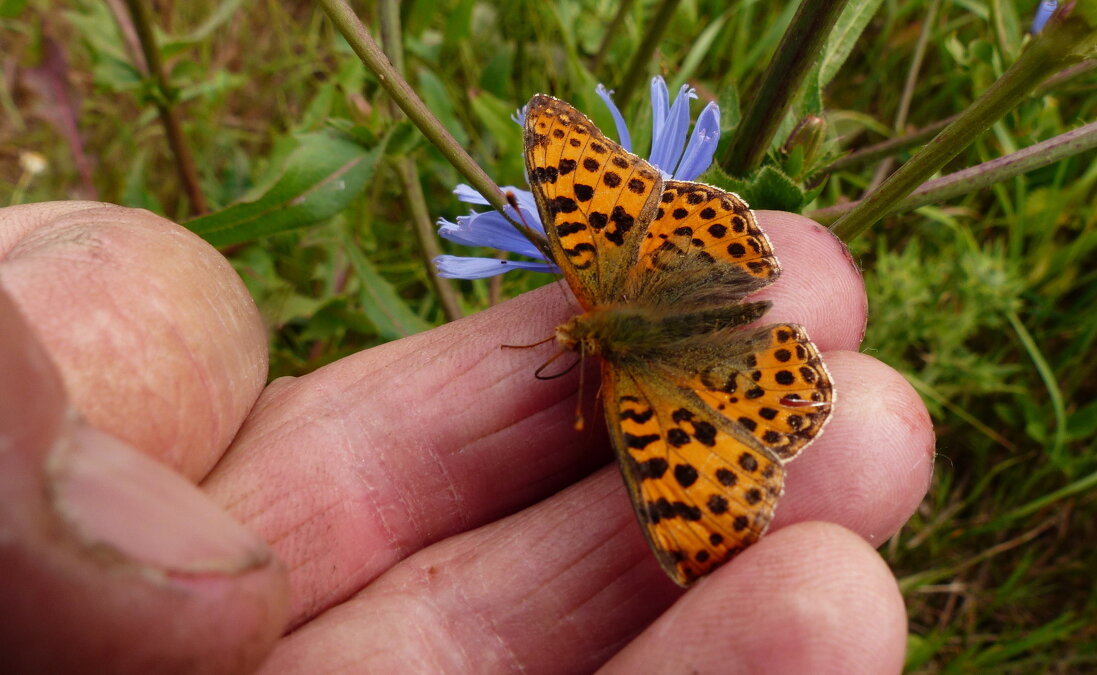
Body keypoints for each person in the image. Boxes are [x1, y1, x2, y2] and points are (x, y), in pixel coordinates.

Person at [0, 201, 933, 673]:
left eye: (575, 339)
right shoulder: (609, 340)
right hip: (698, 270)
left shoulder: (606, 354)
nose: (569, 341)